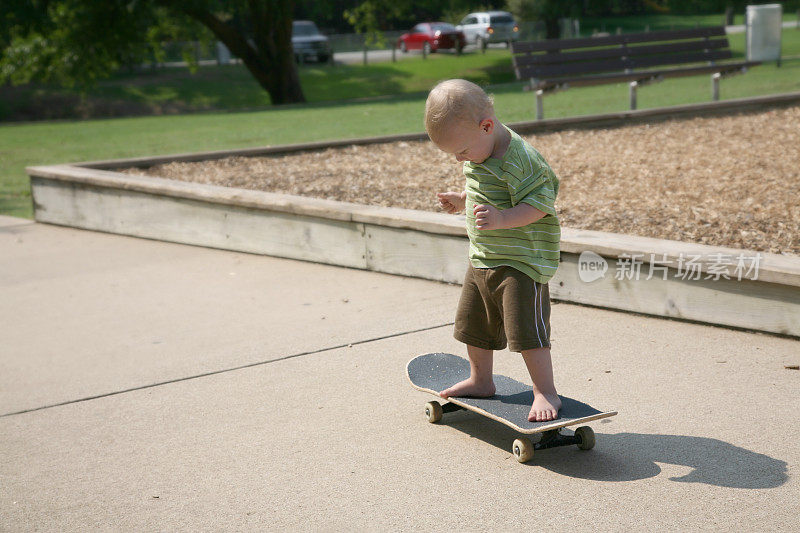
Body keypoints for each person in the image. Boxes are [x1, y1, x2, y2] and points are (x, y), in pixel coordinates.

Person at [424, 79, 562, 422]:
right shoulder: (481, 146)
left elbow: (541, 204)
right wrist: (462, 200)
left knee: (527, 332)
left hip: (520, 262)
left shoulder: (521, 159)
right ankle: (481, 380)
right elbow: (483, 187)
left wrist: (502, 219)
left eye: (462, 151)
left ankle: (546, 392)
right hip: (484, 257)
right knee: (475, 324)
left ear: (487, 125)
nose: (459, 158)